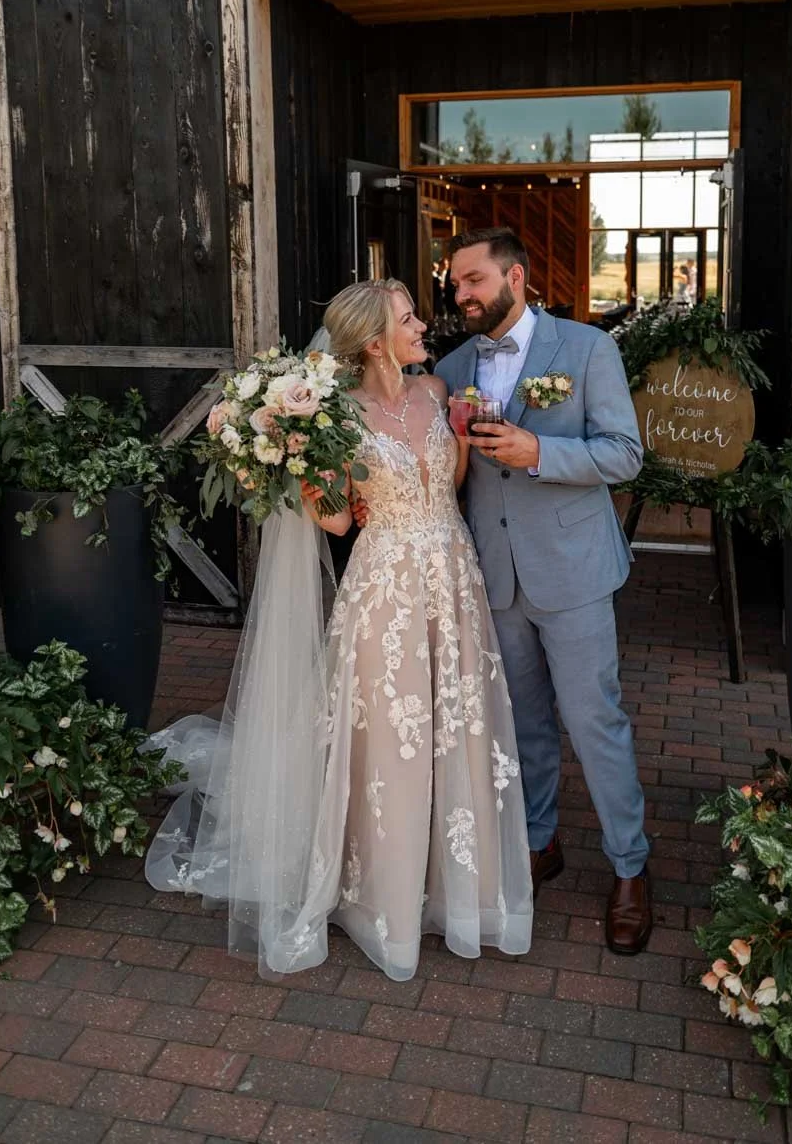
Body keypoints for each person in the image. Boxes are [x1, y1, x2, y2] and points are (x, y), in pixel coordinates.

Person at [145, 279, 533, 981]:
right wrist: (283, 460)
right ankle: (384, 898)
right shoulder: (338, 417)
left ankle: (457, 888)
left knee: (456, 726)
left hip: (454, 575)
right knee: (392, 739)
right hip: (386, 589)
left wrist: (463, 435)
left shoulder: (437, 393)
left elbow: (449, 481)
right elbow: (334, 520)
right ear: (375, 342)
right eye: (408, 318)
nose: (422, 325)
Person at [434, 228, 654, 954]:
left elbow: (624, 455)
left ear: (515, 278)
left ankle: (630, 867)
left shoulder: (588, 349)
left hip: (574, 570)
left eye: (472, 280)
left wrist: (539, 451)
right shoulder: (453, 367)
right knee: (523, 724)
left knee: (595, 723)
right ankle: (539, 840)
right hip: (496, 575)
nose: (461, 294)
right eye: (455, 283)